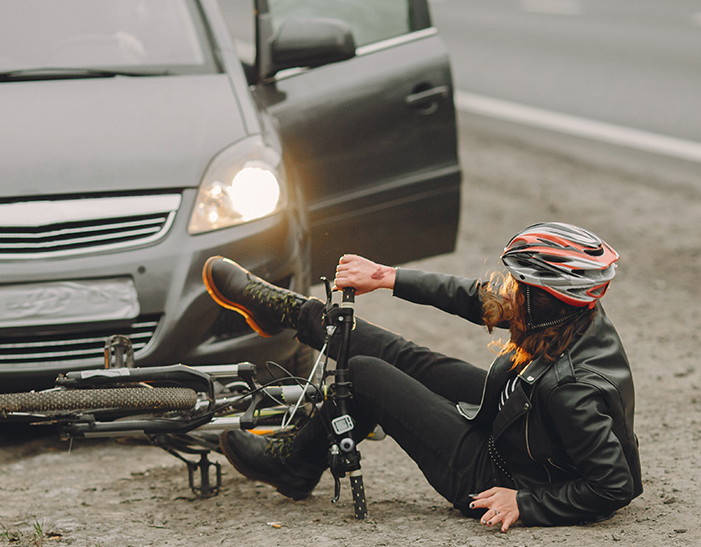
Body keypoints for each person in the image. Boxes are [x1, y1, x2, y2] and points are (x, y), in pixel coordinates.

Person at [202, 222, 641, 530]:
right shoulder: (568, 315)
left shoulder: (571, 389)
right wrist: (386, 277)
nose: (509, 291)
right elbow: (477, 298)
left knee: (366, 374)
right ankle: (291, 310)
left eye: (520, 286)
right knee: (404, 354)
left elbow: (614, 484)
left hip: (494, 473)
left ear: (549, 299)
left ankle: (293, 464)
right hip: (518, 420)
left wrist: (524, 503)